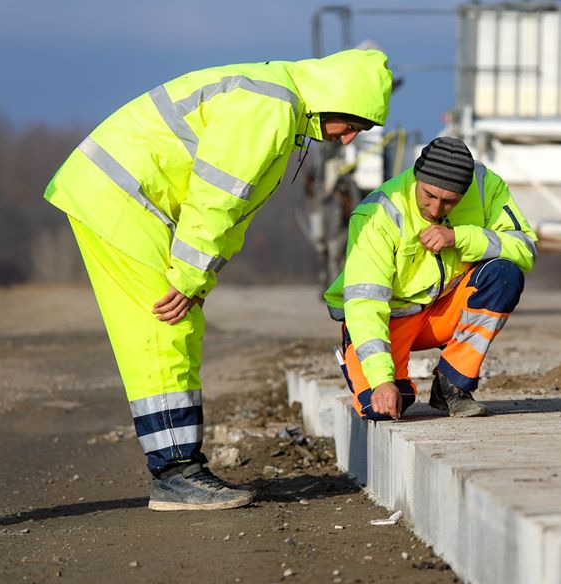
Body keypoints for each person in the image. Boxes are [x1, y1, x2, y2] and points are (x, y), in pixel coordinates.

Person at [43, 49, 393, 511]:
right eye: (351, 124)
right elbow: (217, 197)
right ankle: (175, 474)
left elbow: (235, 215)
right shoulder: (270, 106)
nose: (347, 141)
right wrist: (188, 277)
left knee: (176, 326)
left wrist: (199, 280)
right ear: (335, 99)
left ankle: (178, 468)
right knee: (163, 331)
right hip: (122, 197)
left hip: (122, 194)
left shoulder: (281, 109)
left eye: (359, 133)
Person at [324, 137, 538, 421]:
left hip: (444, 311)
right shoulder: (379, 212)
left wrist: (460, 238)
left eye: (450, 201)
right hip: (391, 320)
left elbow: (525, 248)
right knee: (381, 409)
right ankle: (380, 376)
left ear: (466, 190)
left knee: (504, 275)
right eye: (429, 195)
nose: (436, 209)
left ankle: (453, 385)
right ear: (416, 178)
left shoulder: (486, 186)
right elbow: (364, 301)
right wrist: (380, 379)